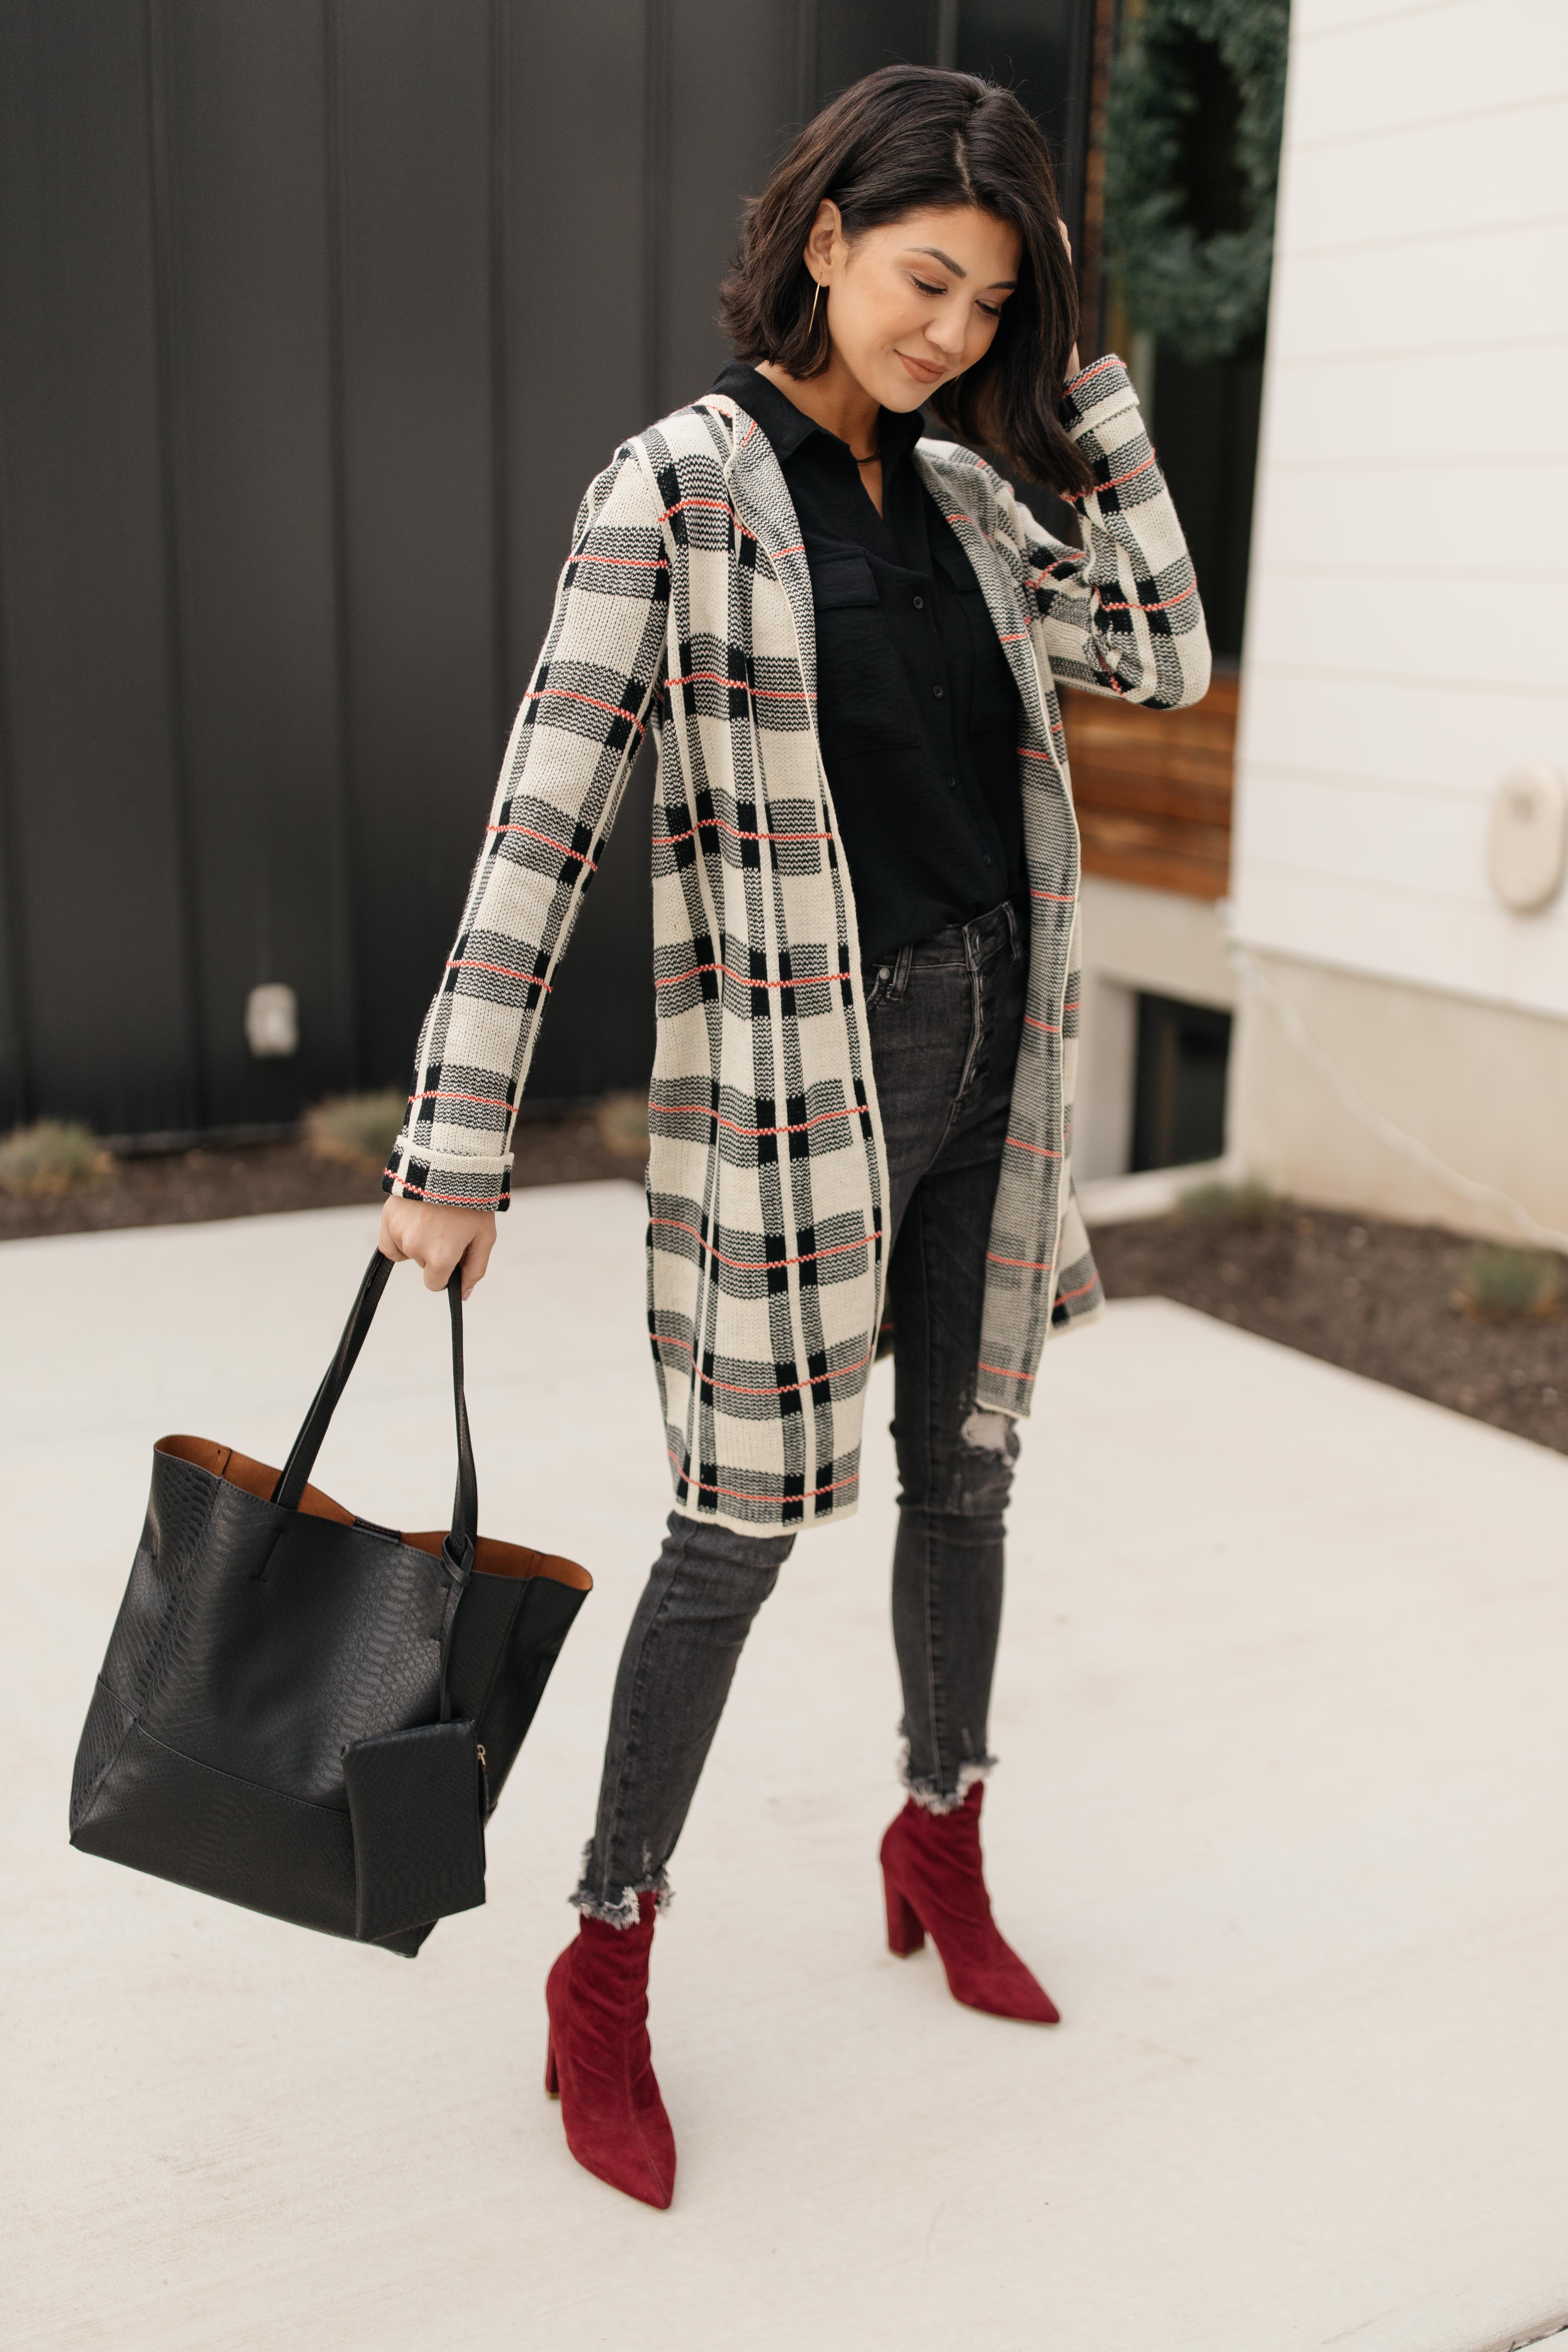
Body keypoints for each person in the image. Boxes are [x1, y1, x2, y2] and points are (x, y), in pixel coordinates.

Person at [378, 64, 1209, 2209]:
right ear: (824, 237)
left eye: (991, 301)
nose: (949, 330)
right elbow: (542, 825)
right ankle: (604, 1955)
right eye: (925, 277)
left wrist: (1083, 390)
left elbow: (1163, 652)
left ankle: (940, 1834)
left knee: (969, 1476)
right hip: (808, 1084)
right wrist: (453, 1149)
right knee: (732, 1527)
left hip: (998, 1047)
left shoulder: (967, 496)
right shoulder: (672, 491)